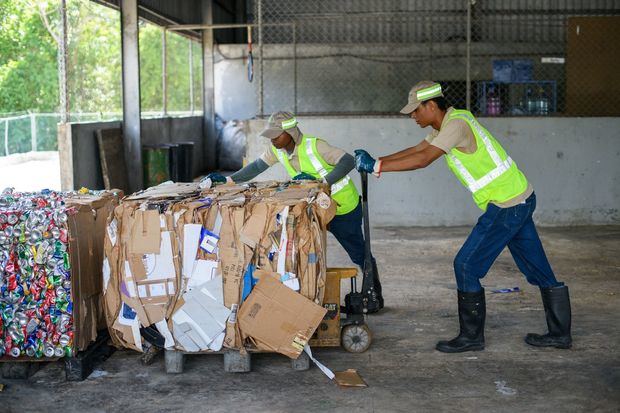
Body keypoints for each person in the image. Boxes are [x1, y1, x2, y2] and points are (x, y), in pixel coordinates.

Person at [354, 81, 571, 351]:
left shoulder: (455, 126)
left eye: (415, 110)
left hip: (506, 204)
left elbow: (424, 160)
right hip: (520, 197)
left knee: (466, 266)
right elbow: (418, 150)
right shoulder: (449, 123)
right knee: (537, 266)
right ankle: (560, 334)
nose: (413, 116)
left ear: (431, 105)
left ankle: (471, 338)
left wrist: (377, 166)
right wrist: (377, 161)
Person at [204, 111, 384, 312]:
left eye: (277, 135)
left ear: (290, 132)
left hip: (342, 207)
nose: (273, 140)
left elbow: (348, 161)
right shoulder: (278, 150)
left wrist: (322, 183)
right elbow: (256, 167)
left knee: (358, 253)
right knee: (307, 253)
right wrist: (228, 180)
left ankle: (373, 294)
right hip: (315, 209)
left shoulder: (315, 146)